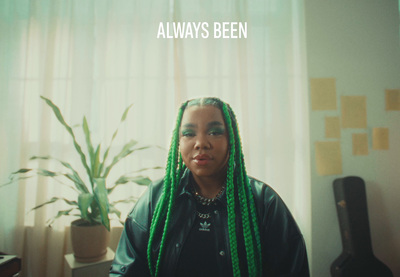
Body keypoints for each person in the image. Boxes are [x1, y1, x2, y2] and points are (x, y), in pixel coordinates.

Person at [110, 97, 309, 277]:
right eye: (188, 133)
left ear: (231, 139)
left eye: (214, 132)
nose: (201, 143)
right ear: (178, 143)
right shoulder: (157, 198)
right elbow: (125, 270)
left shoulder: (264, 202)